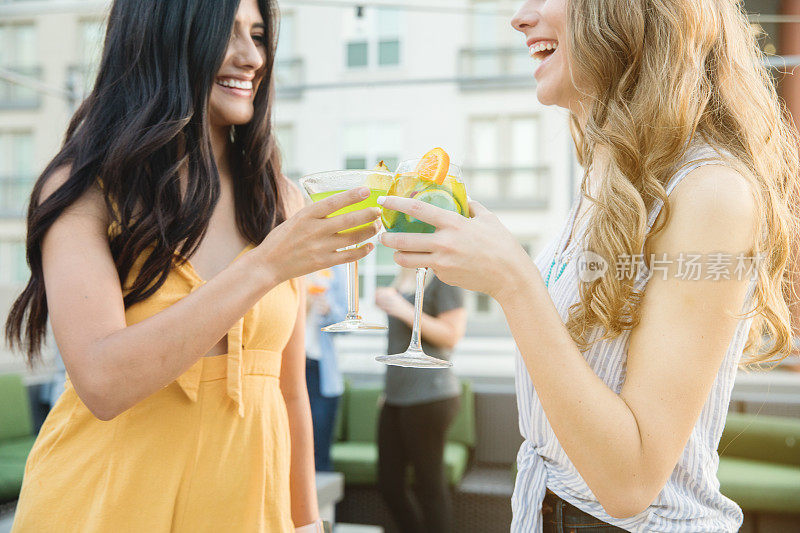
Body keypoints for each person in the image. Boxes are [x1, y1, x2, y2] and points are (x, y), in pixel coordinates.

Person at [378, 0, 800, 532]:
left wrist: (512, 281)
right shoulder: (608, 176)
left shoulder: (710, 191)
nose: (519, 17)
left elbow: (629, 483)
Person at [4, 0, 381, 531]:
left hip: (246, 511)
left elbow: (290, 390)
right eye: (227, 34)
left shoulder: (278, 199)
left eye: (258, 35)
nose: (252, 57)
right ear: (164, 38)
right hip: (102, 506)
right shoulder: (85, 191)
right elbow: (103, 381)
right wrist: (264, 267)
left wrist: (307, 524)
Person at [374, 268, 467, 533]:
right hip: (395, 397)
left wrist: (402, 309)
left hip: (431, 396)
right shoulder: (401, 276)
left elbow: (452, 335)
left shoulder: (444, 277)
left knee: (429, 487)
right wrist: (387, 392)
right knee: (389, 486)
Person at [305, 264, 347, 472]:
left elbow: (347, 321)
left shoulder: (335, 267)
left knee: (319, 450)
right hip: (285, 364)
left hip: (319, 369)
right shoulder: (291, 259)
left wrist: (328, 309)